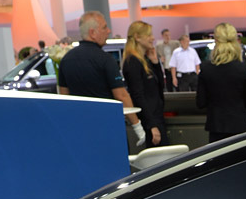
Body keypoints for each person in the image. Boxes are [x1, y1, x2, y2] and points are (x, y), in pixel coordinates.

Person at [58, 10, 145, 151]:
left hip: (81, 130)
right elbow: (121, 95)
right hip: (108, 127)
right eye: (104, 27)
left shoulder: (66, 60)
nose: (109, 31)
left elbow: (64, 97)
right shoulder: (105, 59)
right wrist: (137, 126)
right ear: (92, 33)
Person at [196, 22, 246, 143]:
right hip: (241, 127)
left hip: (217, 128)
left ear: (216, 41)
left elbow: (200, 102)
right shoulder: (242, 68)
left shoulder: (206, 68)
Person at [122, 20, 167, 150]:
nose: (152, 38)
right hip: (150, 120)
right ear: (137, 37)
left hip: (156, 117)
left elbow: (160, 87)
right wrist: (151, 125)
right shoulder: (132, 62)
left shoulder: (144, 61)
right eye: (149, 35)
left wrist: (155, 63)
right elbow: (138, 96)